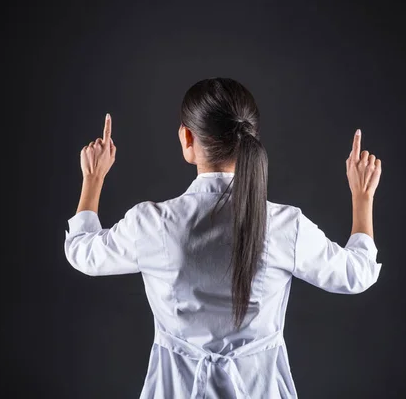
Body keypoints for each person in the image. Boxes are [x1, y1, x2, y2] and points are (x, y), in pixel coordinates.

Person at [64, 77, 383, 399]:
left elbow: (84, 254)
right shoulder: (286, 225)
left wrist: (93, 178)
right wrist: (363, 196)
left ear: (187, 137)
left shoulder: (152, 223)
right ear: (250, 136)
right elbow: (357, 275)